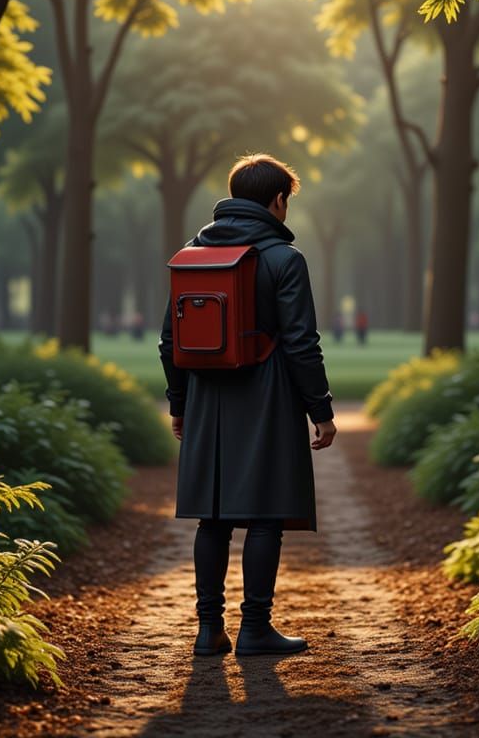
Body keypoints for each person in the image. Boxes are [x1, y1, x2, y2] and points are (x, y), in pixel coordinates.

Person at [160, 154, 337, 658]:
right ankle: (255, 628)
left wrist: (180, 404)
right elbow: (302, 344)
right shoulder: (285, 260)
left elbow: (168, 341)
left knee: (212, 517)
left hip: (207, 399)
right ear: (278, 200)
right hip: (269, 396)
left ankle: (207, 630)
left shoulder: (190, 254)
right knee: (263, 514)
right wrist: (320, 409)